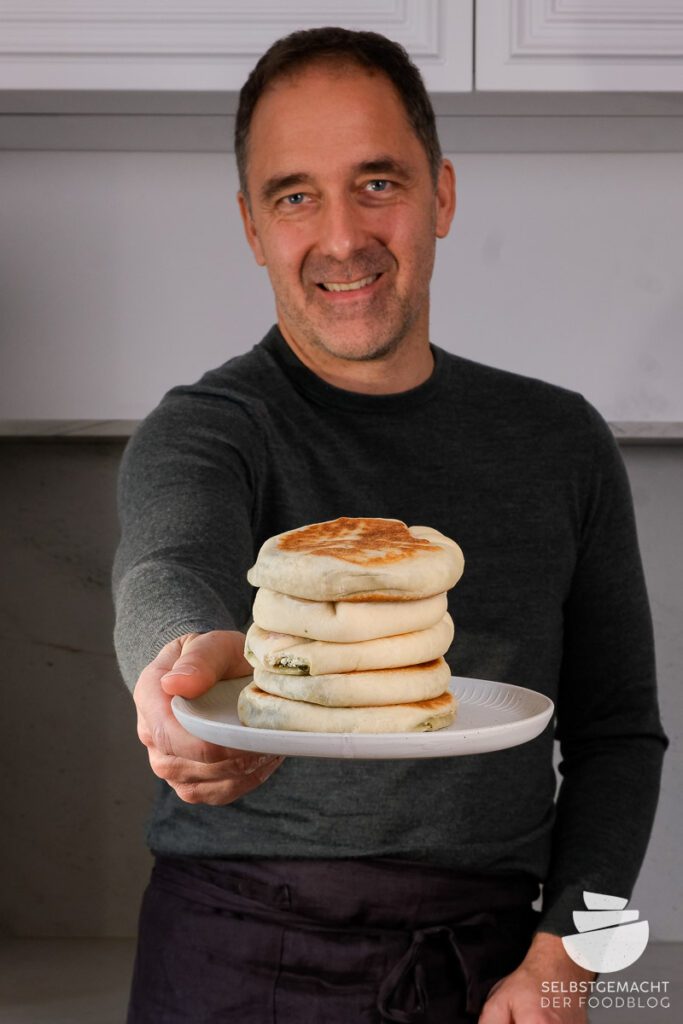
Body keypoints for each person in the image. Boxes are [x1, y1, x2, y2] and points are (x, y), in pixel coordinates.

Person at [113, 26, 667, 1024]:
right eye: (294, 195)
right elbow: (168, 564)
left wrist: (566, 958)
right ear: (250, 226)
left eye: (376, 183)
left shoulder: (558, 441)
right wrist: (183, 677)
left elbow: (616, 733)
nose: (339, 236)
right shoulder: (206, 429)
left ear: (440, 194)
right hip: (232, 953)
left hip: (493, 962)